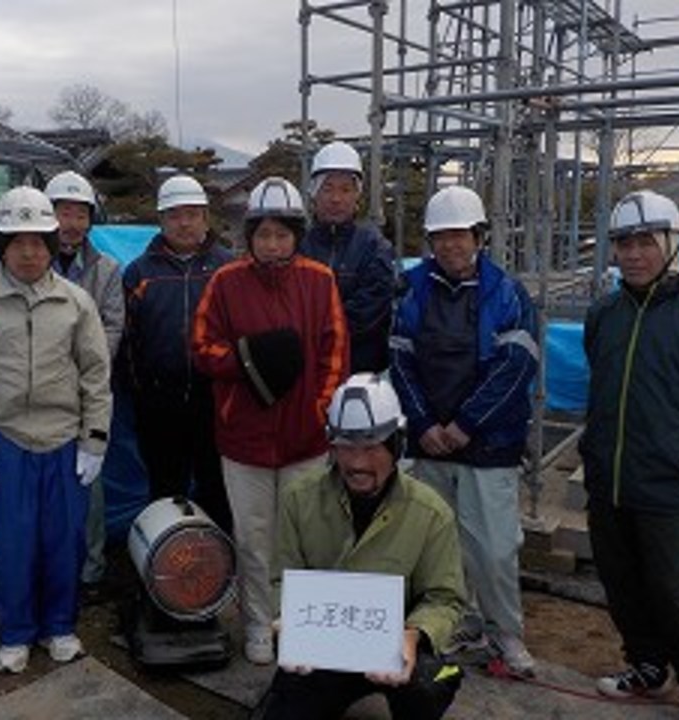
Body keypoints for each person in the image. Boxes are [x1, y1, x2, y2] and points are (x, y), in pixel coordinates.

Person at [0, 186, 112, 674]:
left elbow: (96, 376)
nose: (30, 252)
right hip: (5, 441)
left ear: (52, 245)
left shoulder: (76, 302)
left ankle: (60, 626)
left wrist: (94, 440)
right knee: (9, 544)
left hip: (64, 440)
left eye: (39, 241)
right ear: (2, 245)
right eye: (18, 242)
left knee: (65, 542)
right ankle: (15, 632)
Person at [193, 177, 349, 664]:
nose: (273, 244)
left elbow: (335, 353)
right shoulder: (226, 282)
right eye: (264, 234)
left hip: (306, 439)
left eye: (282, 234)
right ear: (250, 236)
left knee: (304, 539)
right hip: (244, 439)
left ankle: (299, 625)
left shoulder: (320, 280)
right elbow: (202, 347)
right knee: (253, 538)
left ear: (296, 235)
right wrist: (246, 360)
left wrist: (319, 410)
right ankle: (259, 623)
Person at [580, 190, 679, 718]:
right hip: (607, 479)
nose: (634, 254)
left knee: (676, 591)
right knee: (621, 582)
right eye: (624, 244)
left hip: (667, 483)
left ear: (671, 243)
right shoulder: (604, 314)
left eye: (646, 242)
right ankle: (647, 664)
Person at [389, 185, 538, 675]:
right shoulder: (413, 289)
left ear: (478, 236)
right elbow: (401, 361)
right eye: (441, 237)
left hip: (488, 444)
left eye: (460, 235)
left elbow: (515, 367)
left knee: (494, 550)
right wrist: (425, 424)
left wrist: (465, 424)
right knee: (439, 547)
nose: (451, 245)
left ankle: (506, 634)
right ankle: (456, 623)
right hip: (431, 444)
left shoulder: (506, 292)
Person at [261, 373, 465, 720]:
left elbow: (444, 598)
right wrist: (286, 623)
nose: (357, 463)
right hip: (321, 653)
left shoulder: (432, 513)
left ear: (396, 444)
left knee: (433, 684)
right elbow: (279, 578)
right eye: (346, 446)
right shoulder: (299, 499)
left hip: (397, 653)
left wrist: (413, 636)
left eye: (371, 448)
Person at [122, 174, 233, 532]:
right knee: (165, 491)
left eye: (192, 214)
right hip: (159, 406)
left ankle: (220, 558)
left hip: (214, 403)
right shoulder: (139, 272)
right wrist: (142, 393)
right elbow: (128, 341)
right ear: (161, 220)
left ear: (206, 218)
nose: (184, 223)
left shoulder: (228, 268)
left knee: (216, 487)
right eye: (174, 215)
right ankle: (167, 561)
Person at [45, 170, 124, 604]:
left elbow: (112, 329)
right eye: (64, 212)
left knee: (89, 486)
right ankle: (44, 567)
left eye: (80, 214)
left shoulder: (106, 270)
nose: (71, 223)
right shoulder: (25, 262)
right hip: (35, 398)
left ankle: (90, 570)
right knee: (37, 487)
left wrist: (78, 373)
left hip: (87, 395)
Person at [302, 141, 395, 374]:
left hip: (360, 371)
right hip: (308, 371)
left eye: (345, 190)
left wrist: (319, 330)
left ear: (357, 195)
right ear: (314, 193)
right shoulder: (298, 245)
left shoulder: (374, 247)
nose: (336, 198)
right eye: (328, 188)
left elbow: (370, 310)